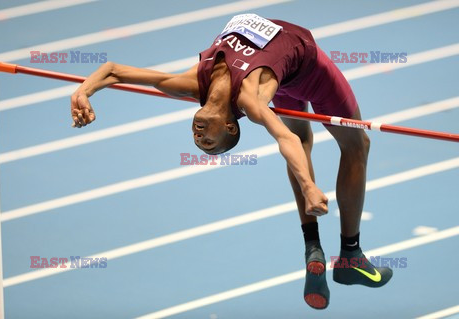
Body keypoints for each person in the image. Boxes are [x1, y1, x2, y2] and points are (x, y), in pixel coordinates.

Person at [69, 14, 392, 310]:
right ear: (229, 126)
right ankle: (348, 254)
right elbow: (285, 139)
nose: (199, 138)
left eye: (199, 141)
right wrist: (309, 187)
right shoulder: (250, 102)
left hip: (286, 67)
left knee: (311, 138)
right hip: (307, 69)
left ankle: (321, 250)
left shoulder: (192, 85)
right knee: (353, 144)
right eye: (209, 142)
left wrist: (83, 92)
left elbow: (112, 70)